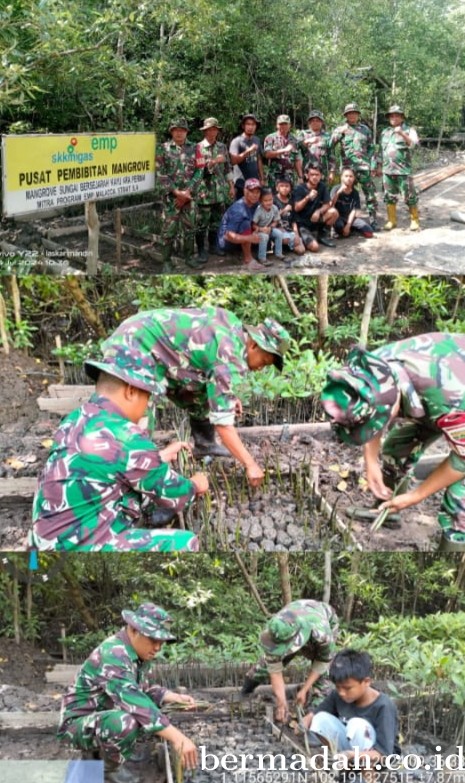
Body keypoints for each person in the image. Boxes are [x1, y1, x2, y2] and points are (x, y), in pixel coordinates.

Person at [84, 306, 290, 488]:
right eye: (264, 361)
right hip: (136, 344)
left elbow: (214, 374)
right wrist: (250, 464)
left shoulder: (233, 329)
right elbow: (224, 424)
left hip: (153, 346)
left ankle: (204, 443)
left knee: (202, 392)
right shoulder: (228, 358)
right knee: (138, 416)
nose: (261, 368)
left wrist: (228, 397)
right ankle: (132, 476)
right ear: (253, 345)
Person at [31, 364, 209, 551]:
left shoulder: (75, 418)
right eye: (146, 398)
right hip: (76, 546)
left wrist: (160, 457)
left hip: (43, 540)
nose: (145, 407)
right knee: (185, 543)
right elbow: (175, 495)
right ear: (131, 391)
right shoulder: (126, 435)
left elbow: (109, 463)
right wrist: (196, 484)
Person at [320, 334, 465, 546]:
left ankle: (451, 565)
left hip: (452, 398)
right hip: (434, 397)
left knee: (459, 502)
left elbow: (462, 460)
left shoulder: (451, 398)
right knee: (395, 448)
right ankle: (387, 511)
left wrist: (416, 496)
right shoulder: (371, 370)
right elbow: (375, 415)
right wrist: (371, 462)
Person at [58, 604, 198, 783]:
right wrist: (178, 738)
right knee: (126, 722)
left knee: (145, 714)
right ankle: (103, 772)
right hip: (75, 725)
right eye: (153, 640)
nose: (157, 648)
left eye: (161, 643)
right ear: (133, 630)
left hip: (99, 718)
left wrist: (173, 696)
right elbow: (136, 701)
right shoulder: (114, 653)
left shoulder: (135, 654)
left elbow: (141, 690)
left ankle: (99, 759)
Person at [242, 600, 339, 722]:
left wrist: (305, 689)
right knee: (264, 665)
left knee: (323, 677)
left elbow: (323, 661)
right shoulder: (275, 628)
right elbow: (274, 669)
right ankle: (245, 689)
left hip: (323, 619)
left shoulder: (321, 633)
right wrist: (281, 702)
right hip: (299, 619)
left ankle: (314, 713)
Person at [302, 649, 400, 763]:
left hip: (378, 757)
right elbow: (316, 714)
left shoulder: (383, 706)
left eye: (347, 688)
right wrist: (305, 721)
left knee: (358, 725)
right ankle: (344, 763)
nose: (342, 692)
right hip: (351, 753)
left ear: (366, 682)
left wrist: (355, 755)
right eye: (338, 687)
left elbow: (384, 754)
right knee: (319, 719)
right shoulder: (338, 695)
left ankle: (368, 777)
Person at [155, 119, 200, 271]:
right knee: (169, 231)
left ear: (187, 131)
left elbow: (200, 171)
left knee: (190, 229)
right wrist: (176, 193)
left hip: (189, 197)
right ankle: (166, 261)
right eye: (176, 130)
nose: (179, 132)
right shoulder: (163, 148)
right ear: (171, 132)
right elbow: (161, 173)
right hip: (171, 199)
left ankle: (188, 258)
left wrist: (187, 192)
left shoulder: (195, 148)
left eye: (182, 130)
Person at [331, 103, 379, 229]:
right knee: (341, 195)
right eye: (349, 113)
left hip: (363, 168)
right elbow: (329, 145)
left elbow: (371, 148)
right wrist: (338, 134)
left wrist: (372, 164)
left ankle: (373, 221)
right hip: (347, 169)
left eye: (354, 113)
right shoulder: (340, 129)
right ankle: (337, 222)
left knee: (370, 195)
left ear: (358, 114)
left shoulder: (365, 129)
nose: (352, 115)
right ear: (346, 115)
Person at [194, 117, 235, 265]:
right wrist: (212, 162)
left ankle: (212, 246)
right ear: (205, 131)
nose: (212, 132)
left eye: (214, 129)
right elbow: (197, 171)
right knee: (202, 222)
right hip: (204, 191)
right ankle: (201, 250)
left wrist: (231, 186)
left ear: (217, 130)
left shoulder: (222, 147)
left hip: (220, 191)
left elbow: (228, 167)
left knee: (216, 221)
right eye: (209, 129)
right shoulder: (198, 148)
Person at [379, 105, 420, 231]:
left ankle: (414, 221)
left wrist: (402, 133)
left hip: (403, 171)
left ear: (402, 117)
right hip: (387, 171)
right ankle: (392, 221)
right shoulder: (385, 132)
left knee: (409, 196)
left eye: (397, 115)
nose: (394, 118)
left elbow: (414, 145)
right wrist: (377, 166)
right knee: (389, 196)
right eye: (392, 116)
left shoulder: (409, 130)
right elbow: (381, 151)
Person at [217, 178, 265, 271]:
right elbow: (228, 236)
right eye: (252, 192)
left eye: (257, 192)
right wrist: (250, 238)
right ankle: (248, 260)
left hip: (240, 236)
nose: (255, 195)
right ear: (245, 191)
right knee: (245, 224)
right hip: (226, 242)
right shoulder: (239, 209)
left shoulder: (255, 204)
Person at [293, 164, 338, 252]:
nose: (315, 177)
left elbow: (327, 204)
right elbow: (296, 208)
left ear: (321, 176)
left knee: (333, 212)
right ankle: (304, 238)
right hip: (303, 224)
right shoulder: (300, 188)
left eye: (317, 175)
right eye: (312, 174)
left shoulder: (322, 186)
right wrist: (307, 197)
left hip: (315, 220)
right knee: (315, 248)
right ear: (306, 175)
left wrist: (318, 211)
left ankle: (322, 235)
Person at [330, 167, 374, 239]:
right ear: (342, 178)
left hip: (350, 218)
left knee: (369, 232)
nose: (348, 178)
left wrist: (348, 225)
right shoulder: (335, 189)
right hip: (338, 217)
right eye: (346, 176)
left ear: (354, 178)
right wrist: (338, 193)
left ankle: (349, 229)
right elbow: (330, 205)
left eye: (351, 176)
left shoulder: (355, 192)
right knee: (339, 226)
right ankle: (337, 230)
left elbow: (354, 210)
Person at [229, 113, 265, 200]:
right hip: (241, 183)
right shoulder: (236, 141)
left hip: (255, 182)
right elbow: (233, 161)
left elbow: (259, 160)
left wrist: (262, 178)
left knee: (255, 208)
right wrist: (248, 151)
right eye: (248, 124)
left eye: (253, 124)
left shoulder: (257, 140)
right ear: (243, 126)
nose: (250, 127)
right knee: (242, 209)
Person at [263, 114, 303, 190]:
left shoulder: (294, 139)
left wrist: (300, 176)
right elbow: (267, 154)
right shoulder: (270, 138)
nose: (283, 126)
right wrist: (284, 150)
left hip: (290, 176)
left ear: (289, 125)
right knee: (274, 199)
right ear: (277, 125)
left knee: (289, 199)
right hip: (275, 176)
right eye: (281, 124)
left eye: (285, 124)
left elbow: (297, 159)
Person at [297, 110, 336, 185]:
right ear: (309, 122)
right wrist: (307, 141)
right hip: (306, 172)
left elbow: (331, 155)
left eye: (318, 120)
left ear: (322, 122)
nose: (315, 122)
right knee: (306, 194)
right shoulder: (303, 134)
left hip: (322, 172)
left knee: (322, 193)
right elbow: (296, 146)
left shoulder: (327, 136)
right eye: (313, 120)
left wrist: (332, 172)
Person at [252, 187, 289, 264]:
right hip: (259, 230)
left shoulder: (274, 208)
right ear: (260, 201)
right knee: (264, 237)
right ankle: (262, 258)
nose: (269, 202)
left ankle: (278, 253)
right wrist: (262, 229)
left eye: (270, 200)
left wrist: (270, 227)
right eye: (265, 200)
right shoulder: (259, 210)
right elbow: (253, 225)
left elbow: (276, 221)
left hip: (269, 228)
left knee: (278, 233)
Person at [273, 177, 305, 265]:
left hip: (289, 230)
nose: (284, 188)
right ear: (277, 188)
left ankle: (287, 247)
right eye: (281, 186)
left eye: (287, 186)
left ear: (290, 188)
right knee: (284, 238)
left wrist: (297, 235)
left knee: (301, 251)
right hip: (277, 229)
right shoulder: (273, 200)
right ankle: (280, 245)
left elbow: (294, 221)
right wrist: (284, 210)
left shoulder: (291, 201)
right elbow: (269, 218)